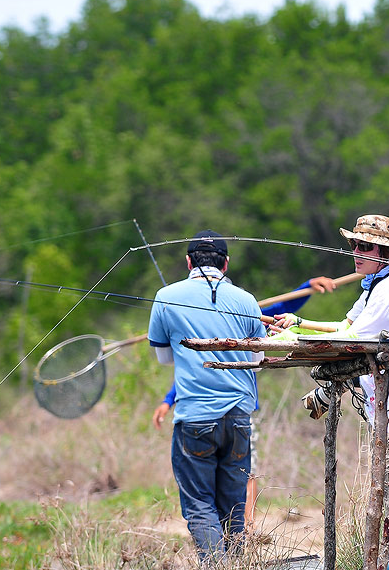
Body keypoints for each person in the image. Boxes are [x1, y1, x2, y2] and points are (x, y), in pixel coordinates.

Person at [150, 275, 338, 532]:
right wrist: (168, 400)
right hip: (212, 410)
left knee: (244, 475)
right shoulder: (203, 327)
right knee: (225, 481)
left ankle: (245, 527)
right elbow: (194, 369)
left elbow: (279, 310)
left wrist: (305, 288)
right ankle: (230, 533)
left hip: (236, 410)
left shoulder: (244, 313)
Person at [273, 215, 389, 514]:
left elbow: (354, 338)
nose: (356, 253)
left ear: (386, 254)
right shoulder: (374, 287)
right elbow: (344, 325)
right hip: (384, 413)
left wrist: (297, 335)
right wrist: (299, 323)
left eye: (365, 247)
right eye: (355, 245)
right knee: (387, 509)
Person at [149, 230, 267, 562]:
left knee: (200, 505)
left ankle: (217, 565)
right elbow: (258, 362)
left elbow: (163, 358)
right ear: (225, 264)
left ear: (188, 262)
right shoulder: (247, 300)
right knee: (234, 505)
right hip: (239, 417)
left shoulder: (165, 296)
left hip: (194, 418)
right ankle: (236, 564)